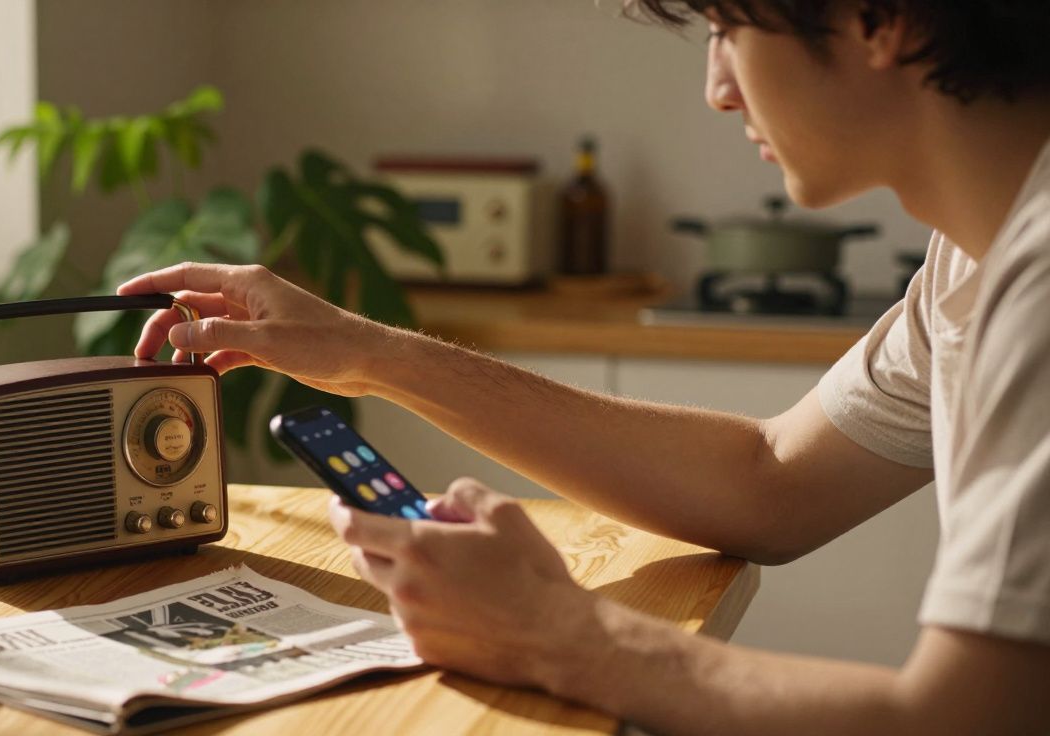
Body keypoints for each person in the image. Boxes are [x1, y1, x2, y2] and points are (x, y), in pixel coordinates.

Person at [118, 1, 1050, 732]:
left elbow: (966, 721)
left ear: (880, 19)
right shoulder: (976, 258)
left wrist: (560, 635)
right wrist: (369, 354)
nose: (718, 88)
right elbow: (770, 482)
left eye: (727, 27)